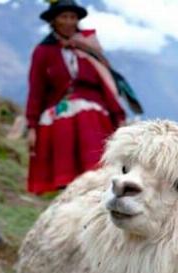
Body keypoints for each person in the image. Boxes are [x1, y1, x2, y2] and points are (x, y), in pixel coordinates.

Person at [25, 0, 141, 195]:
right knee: (62, 123)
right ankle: (66, 188)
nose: (69, 21)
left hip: (93, 109)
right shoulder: (43, 52)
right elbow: (36, 90)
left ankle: (97, 186)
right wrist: (32, 126)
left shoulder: (89, 48)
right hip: (58, 108)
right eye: (64, 17)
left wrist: (119, 116)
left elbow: (105, 82)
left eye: (73, 17)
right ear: (54, 21)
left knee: (88, 122)